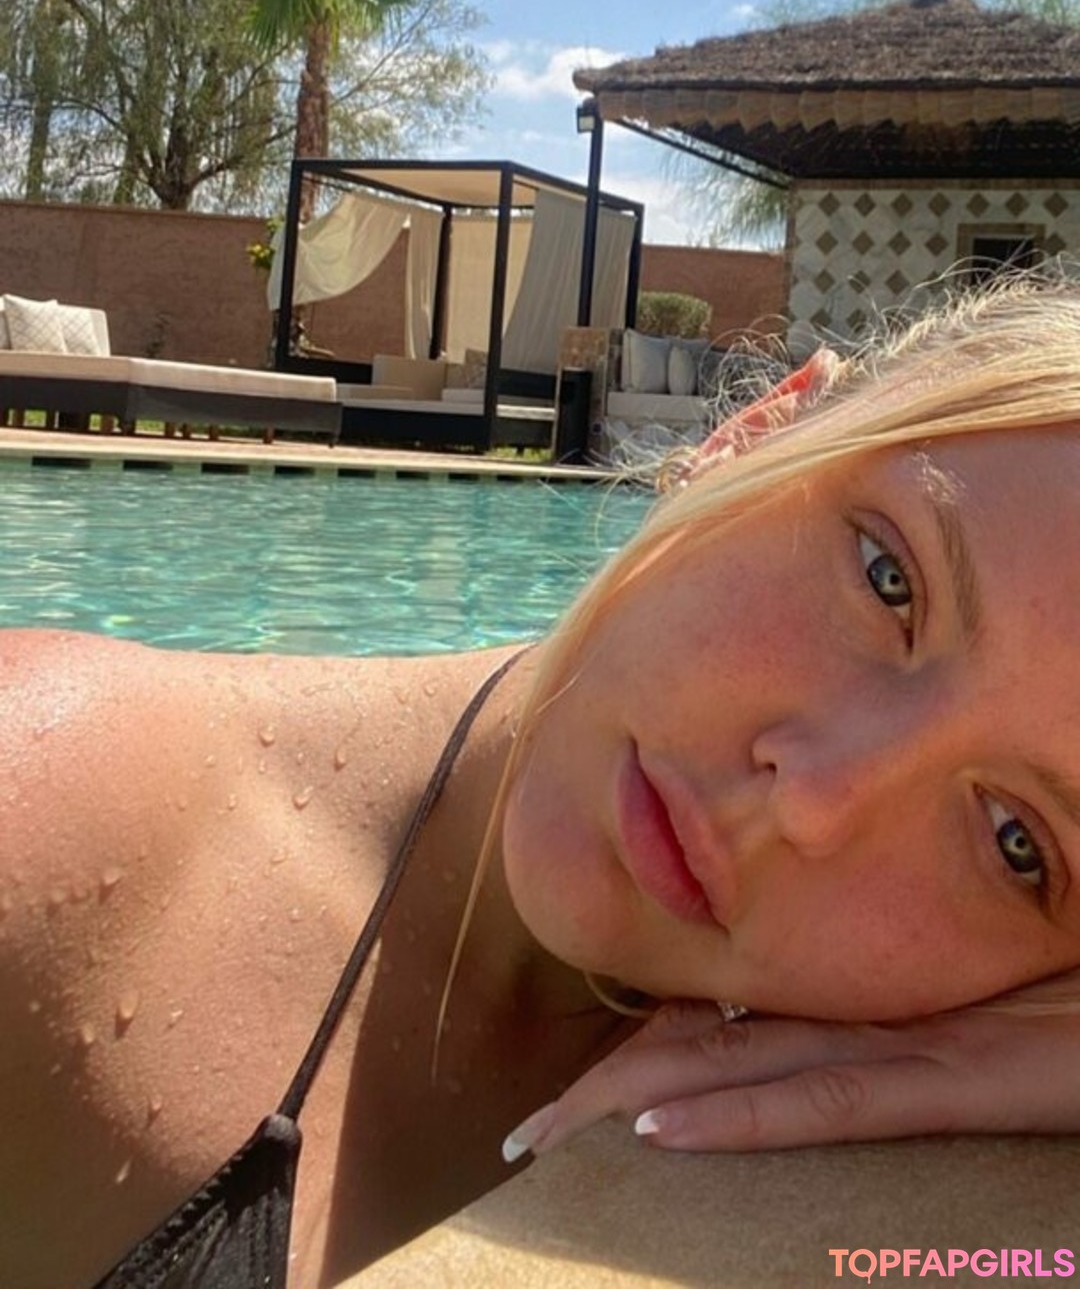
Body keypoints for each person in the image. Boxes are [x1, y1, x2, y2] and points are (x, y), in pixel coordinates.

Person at [6, 275, 1080, 1289]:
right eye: (888, 578)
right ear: (754, 431)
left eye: (1014, 840)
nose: (812, 798)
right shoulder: (62, 808)